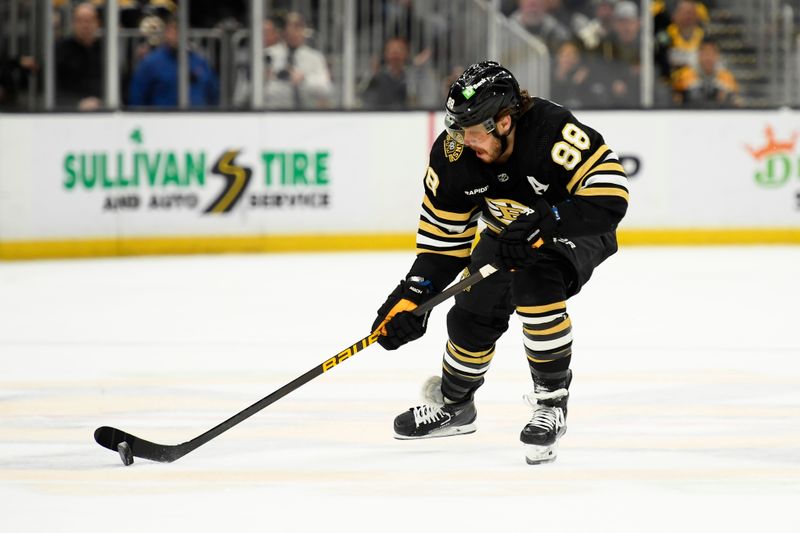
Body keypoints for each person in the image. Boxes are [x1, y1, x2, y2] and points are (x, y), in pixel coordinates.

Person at [371, 61, 628, 465]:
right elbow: (443, 245)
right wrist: (412, 295)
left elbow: (611, 195)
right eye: (454, 127)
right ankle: (455, 405)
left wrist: (547, 221)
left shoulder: (552, 131)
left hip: (575, 225)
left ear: (504, 122)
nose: (460, 139)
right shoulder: (453, 154)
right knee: (472, 311)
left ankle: (551, 403)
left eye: (469, 129)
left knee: (535, 280)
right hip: (506, 233)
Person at [127, 15, 220, 107]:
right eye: (172, 30)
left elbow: (213, 94)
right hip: (161, 118)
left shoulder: (199, 62)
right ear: (166, 33)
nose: (176, 35)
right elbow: (137, 97)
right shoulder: (151, 63)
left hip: (196, 118)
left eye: (180, 30)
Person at [263, 11, 332, 109]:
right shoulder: (267, 54)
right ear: (283, 31)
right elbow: (246, 92)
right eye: (290, 26)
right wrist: (265, 78)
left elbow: (326, 88)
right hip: (271, 112)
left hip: (305, 114)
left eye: (298, 26)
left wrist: (304, 79)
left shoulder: (315, 57)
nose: (294, 31)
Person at [359, 36, 439, 110]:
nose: (395, 54)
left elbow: (425, 99)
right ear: (385, 53)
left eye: (399, 50)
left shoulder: (413, 75)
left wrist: (417, 67)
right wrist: (372, 73)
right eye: (391, 50)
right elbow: (361, 95)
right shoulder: (378, 76)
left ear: (407, 53)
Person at [55, 2, 103, 110]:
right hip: (68, 112)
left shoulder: (106, 51)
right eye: (80, 21)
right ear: (73, 23)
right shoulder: (60, 50)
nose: (85, 25)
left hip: (104, 111)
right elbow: (54, 89)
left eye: (89, 21)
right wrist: (76, 103)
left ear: (97, 23)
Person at [671, 38, 741, 107]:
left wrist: (726, 99)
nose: (708, 57)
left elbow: (737, 102)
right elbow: (675, 101)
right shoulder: (685, 76)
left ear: (718, 55)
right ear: (698, 54)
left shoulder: (727, 78)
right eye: (705, 53)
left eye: (712, 53)